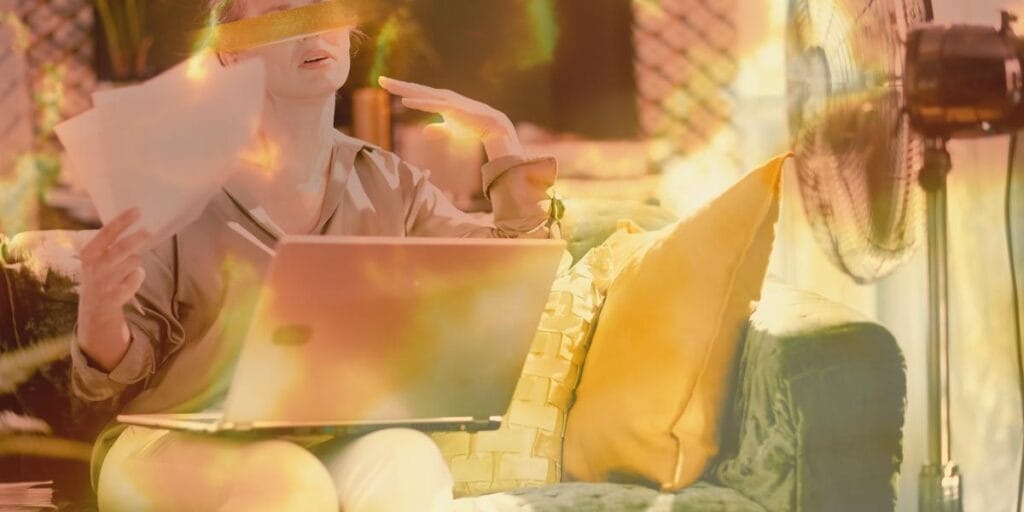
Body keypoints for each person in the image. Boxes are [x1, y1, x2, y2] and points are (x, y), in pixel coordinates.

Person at [71, 0, 558, 510]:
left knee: (406, 459)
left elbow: (508, 291)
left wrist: (500, 141)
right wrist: (100, 310)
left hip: (329, 437)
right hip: (166, 446)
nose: (311, 33)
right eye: (283, 14)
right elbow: (114, 380)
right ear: (231, 54)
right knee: (286, 478)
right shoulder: (174, 183)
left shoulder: (392, 183)